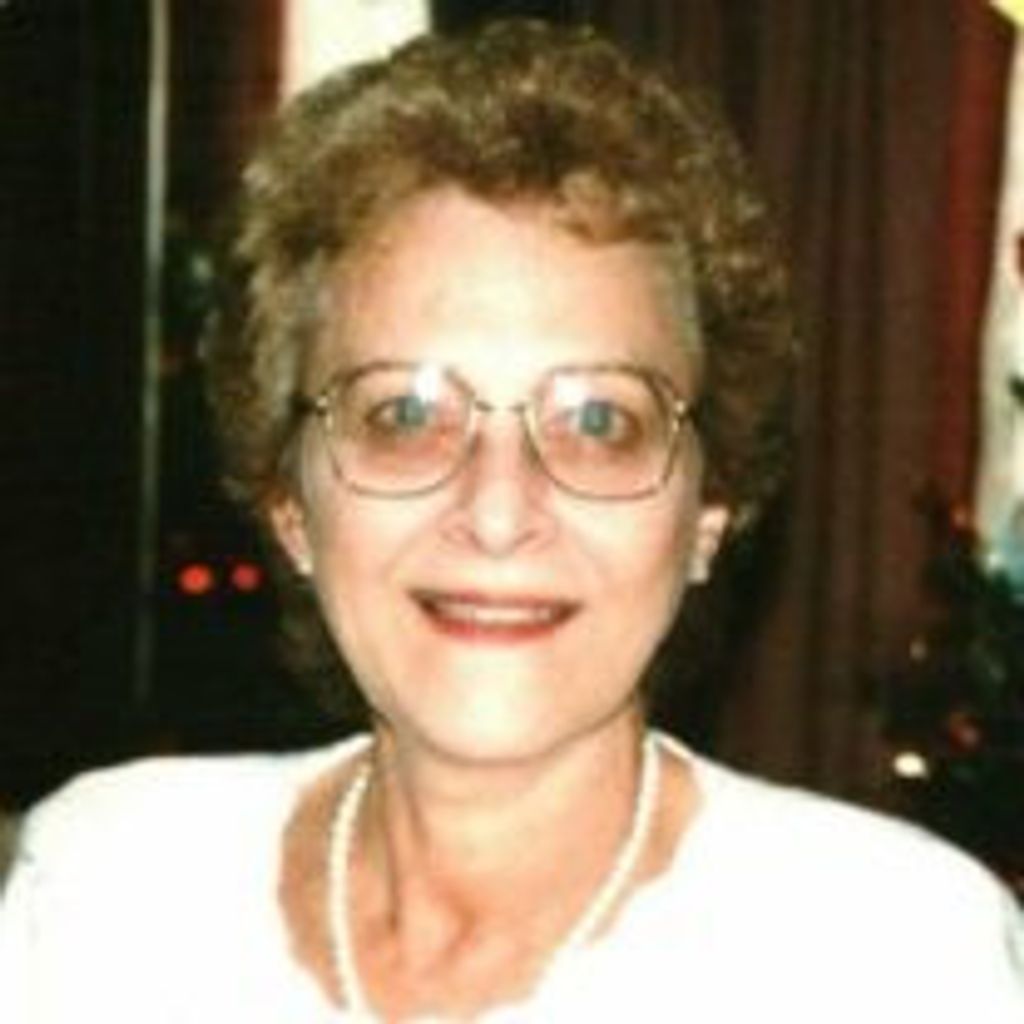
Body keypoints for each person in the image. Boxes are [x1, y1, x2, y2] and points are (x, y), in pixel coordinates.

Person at [1, 18, 1021, 1023]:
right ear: (290, 502)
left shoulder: (890, 957)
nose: (496, 513)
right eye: (404, 416)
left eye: (597, 421)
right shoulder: (105, 888)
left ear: (708, 510)